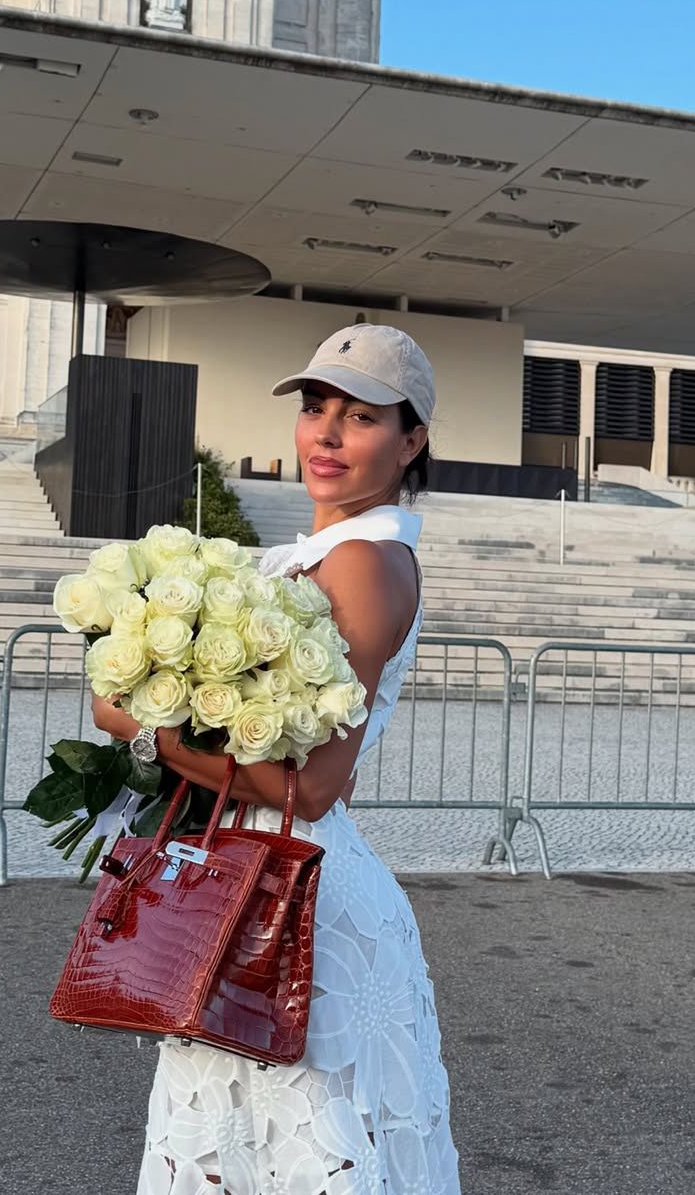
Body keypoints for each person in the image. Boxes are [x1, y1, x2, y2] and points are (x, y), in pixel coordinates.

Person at [92, 323, 461, 1194]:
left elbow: (322, 784)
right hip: (248, 876)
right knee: (242, 1147)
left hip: (298, 899)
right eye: (316, 407)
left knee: (302, 1149)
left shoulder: (367, 563)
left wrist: (142, 728)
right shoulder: (310, 554)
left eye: (362, 416)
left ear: (411, 440)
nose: (327, 435)